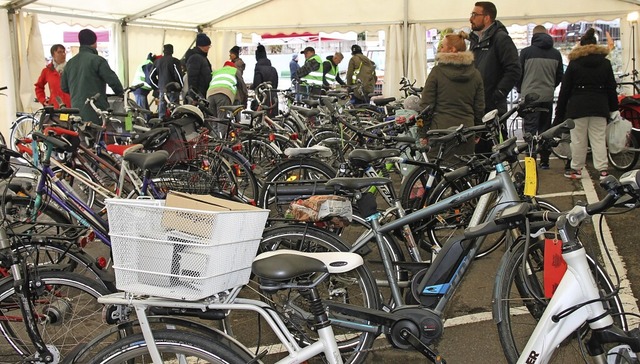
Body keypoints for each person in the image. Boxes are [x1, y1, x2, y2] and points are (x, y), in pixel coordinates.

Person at [554, 28, 618, 181]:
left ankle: (576, 170)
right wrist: (614, 108)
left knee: (578, 140)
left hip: (578, 107)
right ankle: (603, 171)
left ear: (581, 46)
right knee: (598, 139)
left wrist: (559, 112)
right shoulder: (605, 63)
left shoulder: (574, 64)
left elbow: (565, 90)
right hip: (599, 106)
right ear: (595, 45)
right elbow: (611, 87)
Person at [417, 31, 485, 159]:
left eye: (442, 46)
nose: (440, 49)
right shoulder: (475, 74)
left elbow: (426, 105)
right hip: (466, 131)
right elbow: (479, 107)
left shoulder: (437, 72)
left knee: (437, 173)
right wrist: (477, 133)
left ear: (452, 49)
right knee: (462, 172)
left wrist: (422, 132)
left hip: (440, 131)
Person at [468, 1, 521, 154]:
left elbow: (514, 69)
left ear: (487, 18)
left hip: (493, 110)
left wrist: (498, 94)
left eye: (474, 15)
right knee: (479, 155)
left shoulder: (500, 39)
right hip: (478, 108)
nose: (471, 18)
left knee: (497, 154)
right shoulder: (475, 41)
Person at [516, 25, 564, 169]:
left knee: (530, 131)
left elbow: (518, 74)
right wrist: (550, 87)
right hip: (547, 97)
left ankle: (530, 164)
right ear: (547, 34)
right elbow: (559, 76)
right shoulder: (556, 54)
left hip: (530, 98)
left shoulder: (525, 52)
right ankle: (544, 161)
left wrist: (521, 89)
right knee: (545, 130)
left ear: (534, 35)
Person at [61, 29, 124, 124]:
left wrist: (78, 93)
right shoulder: (98, 60)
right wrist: (121, 93)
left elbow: (64, 87)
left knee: (81, 137)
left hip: (76, 111)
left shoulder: (70, 63)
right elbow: (113, 81)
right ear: (95, 43)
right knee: (99, 137)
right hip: (96, 111)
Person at [206, 60, 248, 136]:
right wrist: (245, 102)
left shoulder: (218, 71)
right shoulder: (234, 71)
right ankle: (221, 142)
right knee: (222, 120)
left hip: (210, 94)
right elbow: (243, 87)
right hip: (223, 94)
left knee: (213, 120)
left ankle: (214, 141)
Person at [150, 44, 184, 117]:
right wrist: (180, 86)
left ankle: (161, 125)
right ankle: (174, 125)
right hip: (173, 90)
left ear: (163, 51)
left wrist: (157, 87)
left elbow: (151, 77)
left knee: (161, 111)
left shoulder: (157, 62)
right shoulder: (175, 61)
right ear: (172, 51)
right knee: (174, 111)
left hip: (162, 90)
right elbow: (178, 76)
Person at [34, 44, 71, 108]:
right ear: (53, 55)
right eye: (59, 52)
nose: (63, 54)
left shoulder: (71, 68)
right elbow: (38, 87)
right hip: (55, 107)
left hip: (71, 106)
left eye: (63, 52)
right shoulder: (47, 71)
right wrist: (43, 100)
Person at [252, 44, 279, 117]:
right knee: (273, 119)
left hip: (263, 98)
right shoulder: (273, 69)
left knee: (262, 120)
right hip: (274, 98)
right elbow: (276, 84)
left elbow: (257, 85)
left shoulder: (258, 69)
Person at [185, 33, 212, 98]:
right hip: (199, 95)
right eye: (208, 46)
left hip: (203, 93)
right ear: (202, 46)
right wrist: (194, 96)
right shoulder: (195, 58)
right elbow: (192, 78)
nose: (209, 47)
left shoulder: (202, 57)